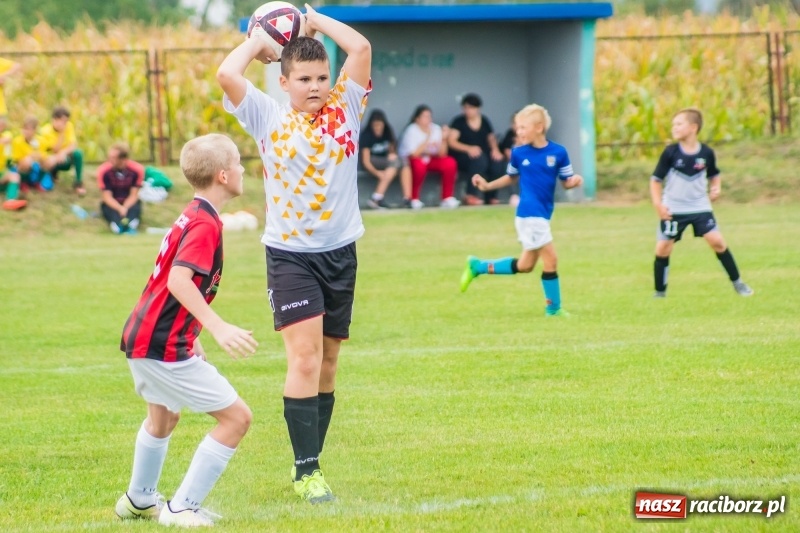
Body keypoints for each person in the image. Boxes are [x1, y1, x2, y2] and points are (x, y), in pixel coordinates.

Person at [217, 3, 371, 504]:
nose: (315, 86)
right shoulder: (266, 113)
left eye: (321, 77)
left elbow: (361, 48)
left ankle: (309, 460)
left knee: (327, 364)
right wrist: (260, 43)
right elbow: (226, 72)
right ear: (283, 82)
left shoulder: (346, 107)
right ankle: (309, 470)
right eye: (303, 78)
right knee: (304, 359)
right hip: (290, 257)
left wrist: (314, 19)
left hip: (340, 253)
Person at [114, 133, 258, 527]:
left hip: (145, 336)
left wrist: (190, 335)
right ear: (224, 175)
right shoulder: (205, 223)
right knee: (237, 419)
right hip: (159, 344)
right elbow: (178, 281)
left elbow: (164, 285)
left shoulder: (194, 214)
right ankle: (181, 509)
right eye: (240, 163)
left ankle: (140, 500)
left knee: (163, 420)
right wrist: (216, 327)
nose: (244, 169)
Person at [459, 104, 583, 317]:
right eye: (518, 127)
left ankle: (477, 267)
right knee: (551, 259)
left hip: (541, 214)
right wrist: (487, 186)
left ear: (539, 127)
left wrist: (575, 181)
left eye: (523, 127)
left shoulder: (559, 152)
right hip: (529, 214)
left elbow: (566, 182)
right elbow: (511, 177)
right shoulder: (518, 153)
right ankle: (553, 309)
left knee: (525, 265)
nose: (519, 132)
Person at [650, 108, 753, 298]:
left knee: (718, 242)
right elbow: (656, 180)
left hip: (700, 207)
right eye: (673, 124)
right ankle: (660, 293)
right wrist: (659, 205)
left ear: (693, 127)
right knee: (663, 248)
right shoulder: (670, 152)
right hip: (673, 208)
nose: (674, 128)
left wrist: (716, 188)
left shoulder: (706, 153)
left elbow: (714, 175)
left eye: (679, 124)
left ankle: (738, 284)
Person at [447, 93, 506, 206]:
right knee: (479, 160)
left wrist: (495, 150)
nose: (468, 110)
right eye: (465, 108)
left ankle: (491, 196)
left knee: (497, 162)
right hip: (463, 156)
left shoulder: (484, 121)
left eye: (471, 108)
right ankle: (470, 195)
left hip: (483, 154)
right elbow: (451, 142)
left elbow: (491, 138)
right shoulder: (458, 122)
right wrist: (468, 148)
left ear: (478, 108)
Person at [397, 104, 459, 210]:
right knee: (419, 165)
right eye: (425, 117)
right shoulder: (411, 130)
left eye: (429, 116)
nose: (428, 119)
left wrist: (444, 139)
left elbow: (442, 154)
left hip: (430, 159)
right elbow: (414, 154)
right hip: (412, 161)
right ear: (417, 118)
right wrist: (428, 138)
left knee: (450, 162)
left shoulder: (436, 128)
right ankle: (414, 198)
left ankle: (447, 198)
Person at [360, 109, 405, 209]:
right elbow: (365, 161)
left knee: (403, 162)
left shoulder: (387, 132)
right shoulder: (366, 135)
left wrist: (392, 153)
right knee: (395, 164)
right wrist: (377, 173)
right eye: (375, 125)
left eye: (380, 125)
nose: (378, 128)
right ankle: (376, 198)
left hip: (386, 162)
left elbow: (392, 150)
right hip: (372, 162)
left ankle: (407, 199)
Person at [97, 142, 144, 234]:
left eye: (114, 158)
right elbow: (107, 197)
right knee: (112, 215)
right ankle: (117, 226)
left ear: (123, 159)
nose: (110, 160)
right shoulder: (104, 171)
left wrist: (125, 207)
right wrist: (120, 208)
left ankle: (131, 225)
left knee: (136, 207)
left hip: (129, 203)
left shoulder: (137, 170)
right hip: (113, 203)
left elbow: (134, 195)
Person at [40, 105, 85, 195]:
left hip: (63, 156)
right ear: (54, 120)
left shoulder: (69, 126)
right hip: (51, 159)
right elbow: (55, 149)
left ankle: (78, 182)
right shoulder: (45, 131)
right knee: (51, 161)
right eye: (62, 121)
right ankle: (52, 174)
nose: (65, 124)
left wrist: (63, 152)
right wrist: (61, 133)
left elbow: (73, 145)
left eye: (66, 121)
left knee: (78, 153)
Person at [10, 116, 50, 192]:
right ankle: (23, 182)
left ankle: (38, 182)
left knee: (47, 161)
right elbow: (17, 160)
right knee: (27, 161)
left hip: (36, 164)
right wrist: (30, 156)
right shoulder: (17, 141)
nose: (26, 131)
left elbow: (45, 155)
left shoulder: (41, 141)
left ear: (35, 130)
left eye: (29, 129)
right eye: (25, 129)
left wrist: (39, 156)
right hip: (21, 167)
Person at [0, 116, 25, 210]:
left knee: (14, 176)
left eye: (2, 125)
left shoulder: (6, 137)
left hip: (1, 172)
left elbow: (9, 156)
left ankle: (10, 201)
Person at [498, 113, 520, 207]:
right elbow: (508, 153)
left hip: (529, 163)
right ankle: (514, 195)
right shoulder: (509, 134)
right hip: (514, 162)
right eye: (514, 123)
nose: (516, 126)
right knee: (509, 167)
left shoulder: (531, 136)